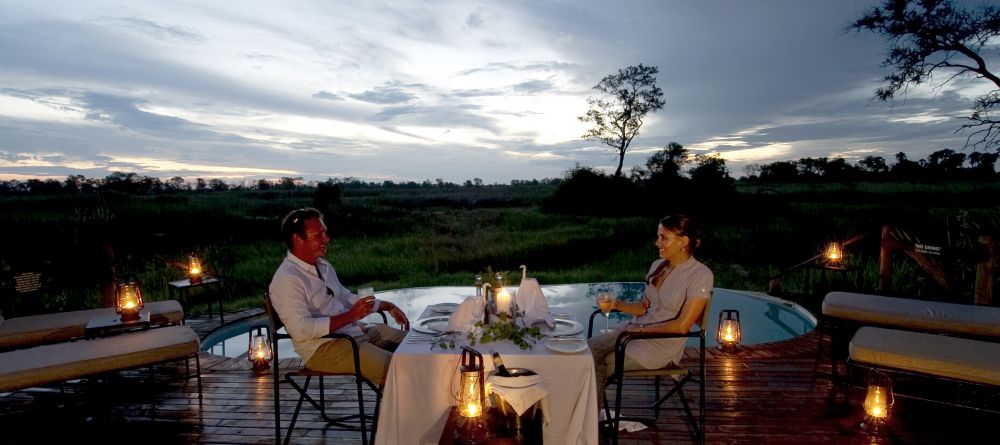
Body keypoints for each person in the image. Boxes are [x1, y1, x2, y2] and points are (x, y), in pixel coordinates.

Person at [268, 207, 410, 386]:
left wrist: (387, 306)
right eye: (318, 235)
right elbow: (300, 329)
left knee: (414, 346)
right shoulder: (287, 279)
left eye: (325, 233)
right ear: (298, 239)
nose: (327, 239)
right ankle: (401, 410)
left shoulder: (323, 266)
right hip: (323, 348)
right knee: (399, 367)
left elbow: (345, 297)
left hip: (351, 332)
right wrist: (351, 316)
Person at [587, 214, 714, 407]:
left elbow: (682, 327)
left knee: (595, 364)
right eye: (658, 236)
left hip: (659, 345)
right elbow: (644, 308)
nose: (657, 243)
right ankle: (585, 417)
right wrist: (618, 305)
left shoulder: (700, 275)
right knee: (585, 350)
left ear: (683, 241)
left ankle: (589, 425)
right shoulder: (658, 266)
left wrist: (640, 330)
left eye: (664, 237)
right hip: (633, 331)